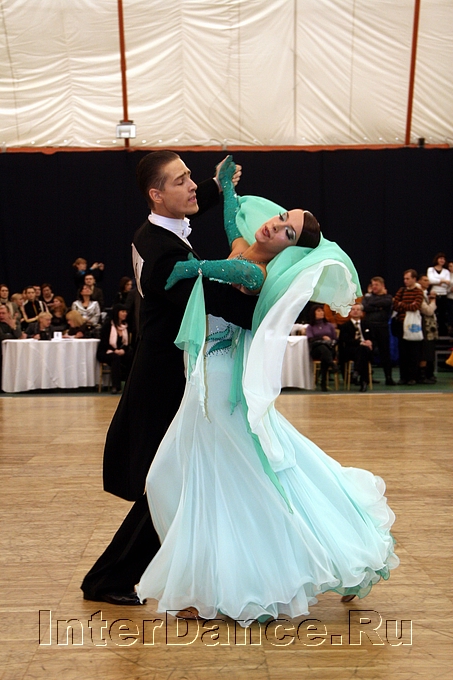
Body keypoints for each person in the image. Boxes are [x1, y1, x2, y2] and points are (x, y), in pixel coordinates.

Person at [136, 161, 398, 622]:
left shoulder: (254, 273)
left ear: (288, 251)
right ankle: (214, 583)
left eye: (287, 232)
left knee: (220, 479)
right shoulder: (244, 246)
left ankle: (229, 586)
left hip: (221, 384)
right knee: (193, 478)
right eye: (281, 217)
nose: (276, 226)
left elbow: (209, 268)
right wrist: (225, 184)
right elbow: (232, 220)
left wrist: (188, 266)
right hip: (204, 377)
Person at [81, 151, 258, 606]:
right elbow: (212, 299)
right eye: (181, 181)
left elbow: (193, 208)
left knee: (174, 480)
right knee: (168, 481)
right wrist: (266, 302)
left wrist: (218, 185)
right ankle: (108, 579)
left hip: (163, 374)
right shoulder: (164, 252)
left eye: (190, 177)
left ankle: (123, 577)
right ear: (156, 195)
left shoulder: (156, 233)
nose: (192, 185)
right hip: (163, 383)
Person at [362, 276, 395, 385]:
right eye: (373, 285)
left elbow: (386, 303)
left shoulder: (388, 297)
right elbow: (365, 306)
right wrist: (378, 307)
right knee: (367, 352)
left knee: (385, 353)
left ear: (382, 286)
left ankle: (388, 377)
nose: (374, 287)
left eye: (377, 285)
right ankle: (367, 377)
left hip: (382, 328)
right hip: (369, 327)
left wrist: (373, 305)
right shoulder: (367, 297)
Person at [393, 269, 424, 385]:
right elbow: (395, 305)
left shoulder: (419, 292)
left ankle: (412, 377)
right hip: (401, 324)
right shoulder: (401, 291)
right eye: (404, 279)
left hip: (413, 325)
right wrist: (406, 305)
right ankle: (403, 377)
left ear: (414, 279)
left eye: (408, 278)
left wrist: (402, 305)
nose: (405, 281)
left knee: (413, 353)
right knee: (403, 352)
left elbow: (416, 306)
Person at [97, 304, 133, 394]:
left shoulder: (126, 326)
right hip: (106, 351)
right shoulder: (108, 325)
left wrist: (123, 350)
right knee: (115, 358)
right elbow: (104, 342)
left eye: (126, 312)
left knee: (131, 356)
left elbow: (127, 344)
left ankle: (130, 385)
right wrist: (114, 350)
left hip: (120, 351)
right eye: (123, 312)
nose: (125, 314)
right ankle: (116, 386)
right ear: (117, 313)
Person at [338, 303, 374, 391]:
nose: (355, 311)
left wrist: (370, 342)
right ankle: (364, 382)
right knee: (362, 351)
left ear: (361, 312)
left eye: (358, 310)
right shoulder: (345, 326)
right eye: (353, 309)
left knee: (363, 350)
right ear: (349, 312)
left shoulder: (367, 324)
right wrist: (360, 343)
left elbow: (374, 338)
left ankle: (357, 371)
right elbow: (345, 340)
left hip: (365, 350)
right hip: (351, 350)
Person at [305, 304, 339, 392]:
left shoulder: (329, 325)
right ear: (313, 313)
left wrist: (330, 342)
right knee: (322, 348)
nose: (321, 312)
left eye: (322, 310)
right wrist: (322, 338)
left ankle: (323, 382)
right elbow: (310, 340)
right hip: (316, 350)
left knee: (325, 354)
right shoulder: (310, 327)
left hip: (329, 348)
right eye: (319, 311)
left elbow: (335, 339)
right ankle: (331, 365)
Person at [417, 274, 438, 384]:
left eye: (428, 280)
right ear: (419, 281)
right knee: (425, 351)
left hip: (430, 326)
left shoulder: (425, 293)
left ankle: (429, 374)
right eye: (425, 280)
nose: (427, 282)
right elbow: (428, 311)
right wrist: (433, 301)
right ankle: (422, 375)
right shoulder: (419, 294)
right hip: (424, 325)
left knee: (430, 350)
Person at [427, 253, 450, 335]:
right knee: (433, 314)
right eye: (440, 258)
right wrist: (442, 281)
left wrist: (437, 281)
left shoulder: (446, 271)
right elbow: (430, 280)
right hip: (434, 294)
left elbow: (448, 283)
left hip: (443, 294)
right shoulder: (431, 269)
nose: (442, 260)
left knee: (443, 315)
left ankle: (443, 333)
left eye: (443, 259)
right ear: (437, 259)